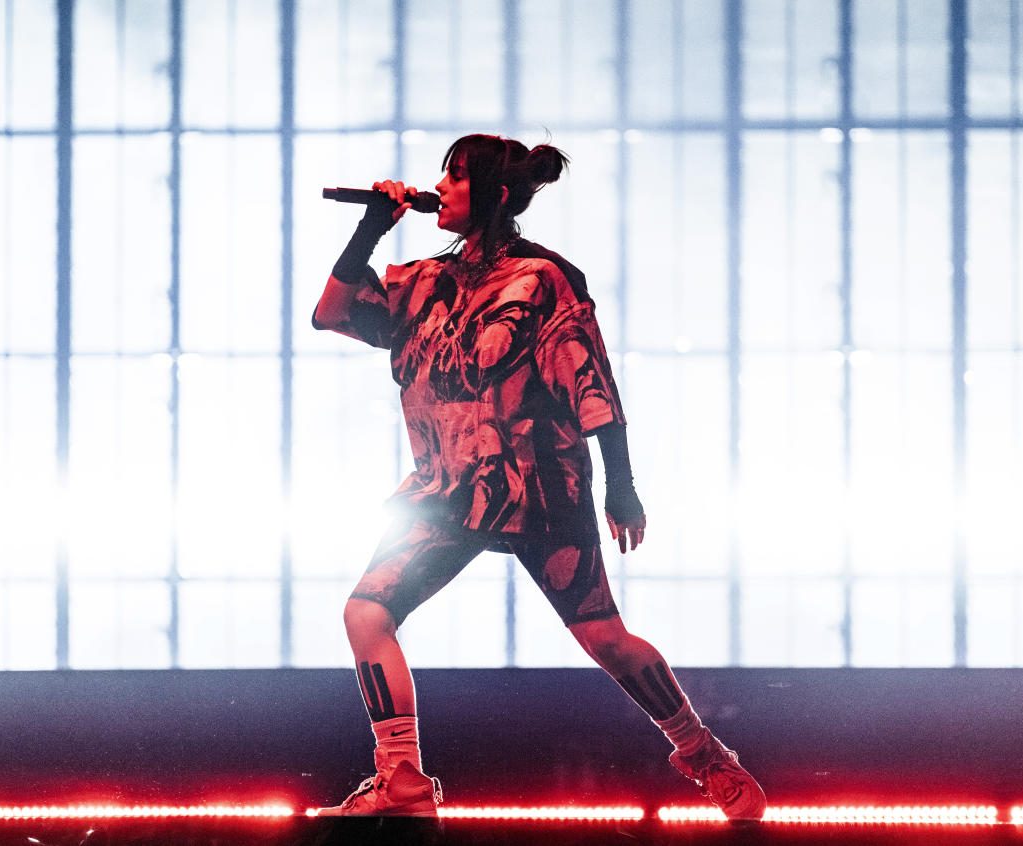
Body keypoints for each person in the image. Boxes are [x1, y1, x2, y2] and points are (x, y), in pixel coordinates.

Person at [310, 134, 766, 820]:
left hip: (537, 484)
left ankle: (703, 755)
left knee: (604, 637)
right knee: (366, 612)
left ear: (493, 194)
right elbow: (332, 312)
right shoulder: (425, 281)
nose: (442, 187)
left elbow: (592, 383)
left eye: (456, 177)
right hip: (446, 491)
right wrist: (372, 227)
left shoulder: (541, 280)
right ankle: (400, 777)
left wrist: (621, 483)